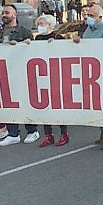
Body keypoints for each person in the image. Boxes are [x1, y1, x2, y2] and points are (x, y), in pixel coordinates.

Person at [0, 6, 38, 146]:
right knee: (8, 103)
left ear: (15, 15)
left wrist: (20, 45)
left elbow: (32, 51)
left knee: (25, 101)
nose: (4, 15)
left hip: (20, 72)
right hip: (3, 72)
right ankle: (13, 133)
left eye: (7, 13)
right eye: (3, 13)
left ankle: (32, 130)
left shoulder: (24, 32)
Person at [73, 3, 103, 148]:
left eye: (91, 16)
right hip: (91, 71)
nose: (88, 18)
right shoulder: (88, 29)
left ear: (100, 17)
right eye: (87, 15)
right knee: (96, 104)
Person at [33, 15, 69, 147]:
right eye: (39, 23)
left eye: (42, 23)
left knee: (58, 106)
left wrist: (55, 46)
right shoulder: (37, 38)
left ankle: (64, 133)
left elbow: (65, 53)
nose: (40, 26)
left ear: (50, 25)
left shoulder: (58, 37)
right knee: (44, 106)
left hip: (55, 75)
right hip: (41, 74)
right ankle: (48, 135)